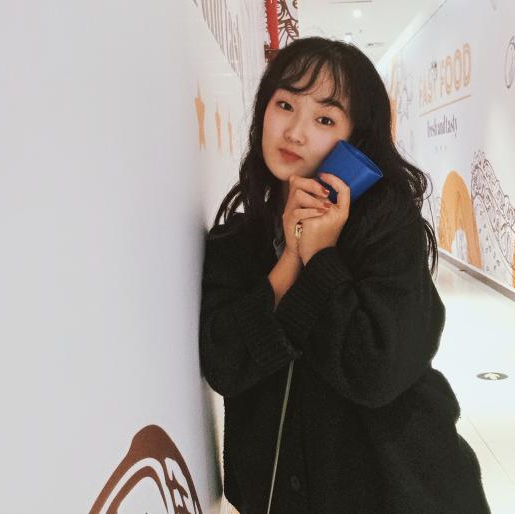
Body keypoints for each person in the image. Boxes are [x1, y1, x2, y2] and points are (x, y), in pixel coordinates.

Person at [199, 37, 490, 513]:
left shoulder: (387, 230)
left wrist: (322, 255)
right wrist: (292, 260)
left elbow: (376, 373)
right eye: (285, 105)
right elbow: (226, 365)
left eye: (325, 119)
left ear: (355, 140)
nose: (295, 132)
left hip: (401, 493)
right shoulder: (238, 242)